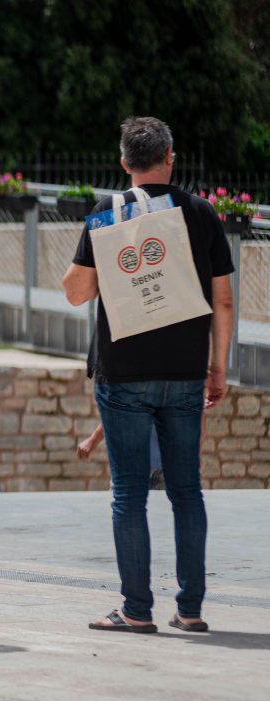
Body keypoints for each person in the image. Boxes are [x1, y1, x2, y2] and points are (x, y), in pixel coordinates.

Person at [62, 117, 233, 634]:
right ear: (170, 157)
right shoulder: (201, 213)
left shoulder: (107, 212)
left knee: (129, 494)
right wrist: (217, 367)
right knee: (187, 491)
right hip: (185, 373)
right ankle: (191, 609)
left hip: (123, 373)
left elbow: (76, 292)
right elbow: (222, 299)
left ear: (123, 163)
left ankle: (136, 610)